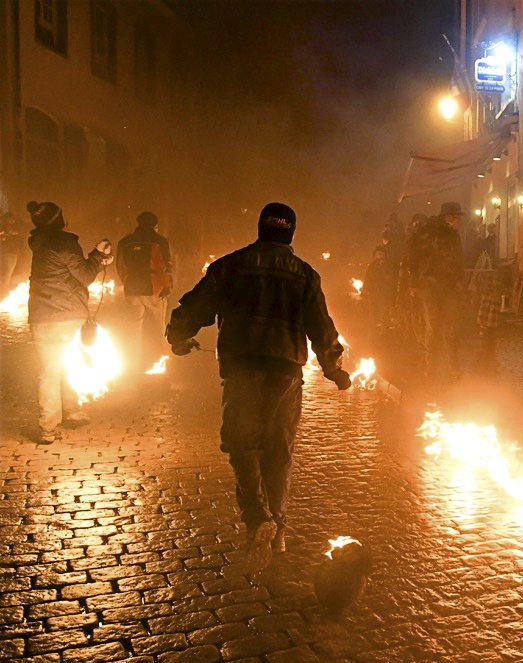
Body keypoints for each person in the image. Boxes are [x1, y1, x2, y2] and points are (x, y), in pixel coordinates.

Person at [166, 202, 352, 570]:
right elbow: (322, 327)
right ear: (291, 233)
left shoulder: (231, 266)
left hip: (241, 366)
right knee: (278, 450)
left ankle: (256, 516)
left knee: (242, 444)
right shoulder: (305, 275)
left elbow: (195, 306)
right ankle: (277, 529)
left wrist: (178, 337)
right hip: (285, 371)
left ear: (260, 228)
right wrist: (334, 370)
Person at [25, 201, 113, 444]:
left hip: (41, 315)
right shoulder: (64, 243)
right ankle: (69, 412)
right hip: (67, 314)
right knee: (67, 363)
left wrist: (96, 258)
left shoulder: (39, 243)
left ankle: (50, 425)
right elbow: (84, 275)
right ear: (59, 220)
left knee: (50, 369)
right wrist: (98, 256)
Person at [405, 201, 465, 379]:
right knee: (434, 326)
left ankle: (451, 366)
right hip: (430, 286)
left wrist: (460, 282)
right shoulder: (428, 233)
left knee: (451, 326)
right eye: (457, 216)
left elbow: (458, 260)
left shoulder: (454, 235)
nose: (459, 220)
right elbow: (413, 258)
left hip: (450, 286)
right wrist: (414, 283)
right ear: (449, 216)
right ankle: (430, 366)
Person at [116, 211, 172, 371]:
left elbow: (120, 266)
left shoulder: (125, 241)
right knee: (159, 327)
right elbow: (166, 265)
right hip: (155, 289)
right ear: (154, 225)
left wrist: (127, 282)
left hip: (132, 288)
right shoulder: (159, 241)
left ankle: (132, 364)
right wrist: (167, 286)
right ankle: (162, 361)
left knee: (132, 328)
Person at [0, 212, 21, 295]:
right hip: (7, 252)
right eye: (10, 219)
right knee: (6, 273)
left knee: (7, 273)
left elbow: (17, 235)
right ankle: (3, 291)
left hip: (11, 252)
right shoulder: (3, 227)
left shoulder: (16, 228)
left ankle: (4, 290)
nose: (12, 221)